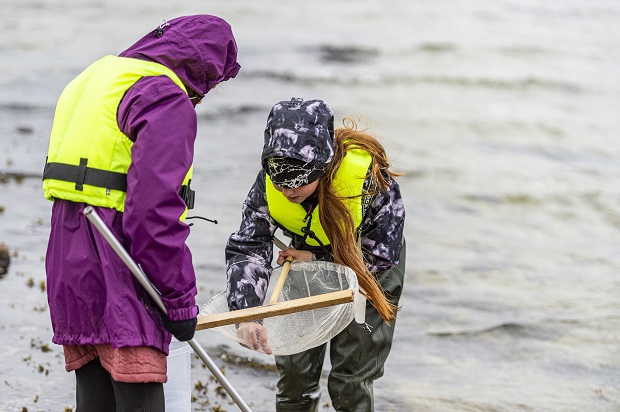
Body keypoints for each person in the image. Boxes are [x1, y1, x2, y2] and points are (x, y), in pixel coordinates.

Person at [42, 15, 240, 410]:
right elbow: (153, 214)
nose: (203, 95)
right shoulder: (164, 97)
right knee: (140, 391)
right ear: (200, 69)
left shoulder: (95, 78)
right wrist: (180, 300)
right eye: (210, 83)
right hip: (122, 267)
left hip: (69, 261)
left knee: (95, 400)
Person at [225, 97, 406, 411]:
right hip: (304, 259)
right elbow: (248, 246)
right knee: (295, 378)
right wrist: (247, 314)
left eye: (298, 180)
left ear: (323, 164)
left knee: (350, 380)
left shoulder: (371, 182)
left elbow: (382, 254)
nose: (288, 191)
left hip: (367, 270)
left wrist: (321, 262)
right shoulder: (268, 187)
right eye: (278, 180)